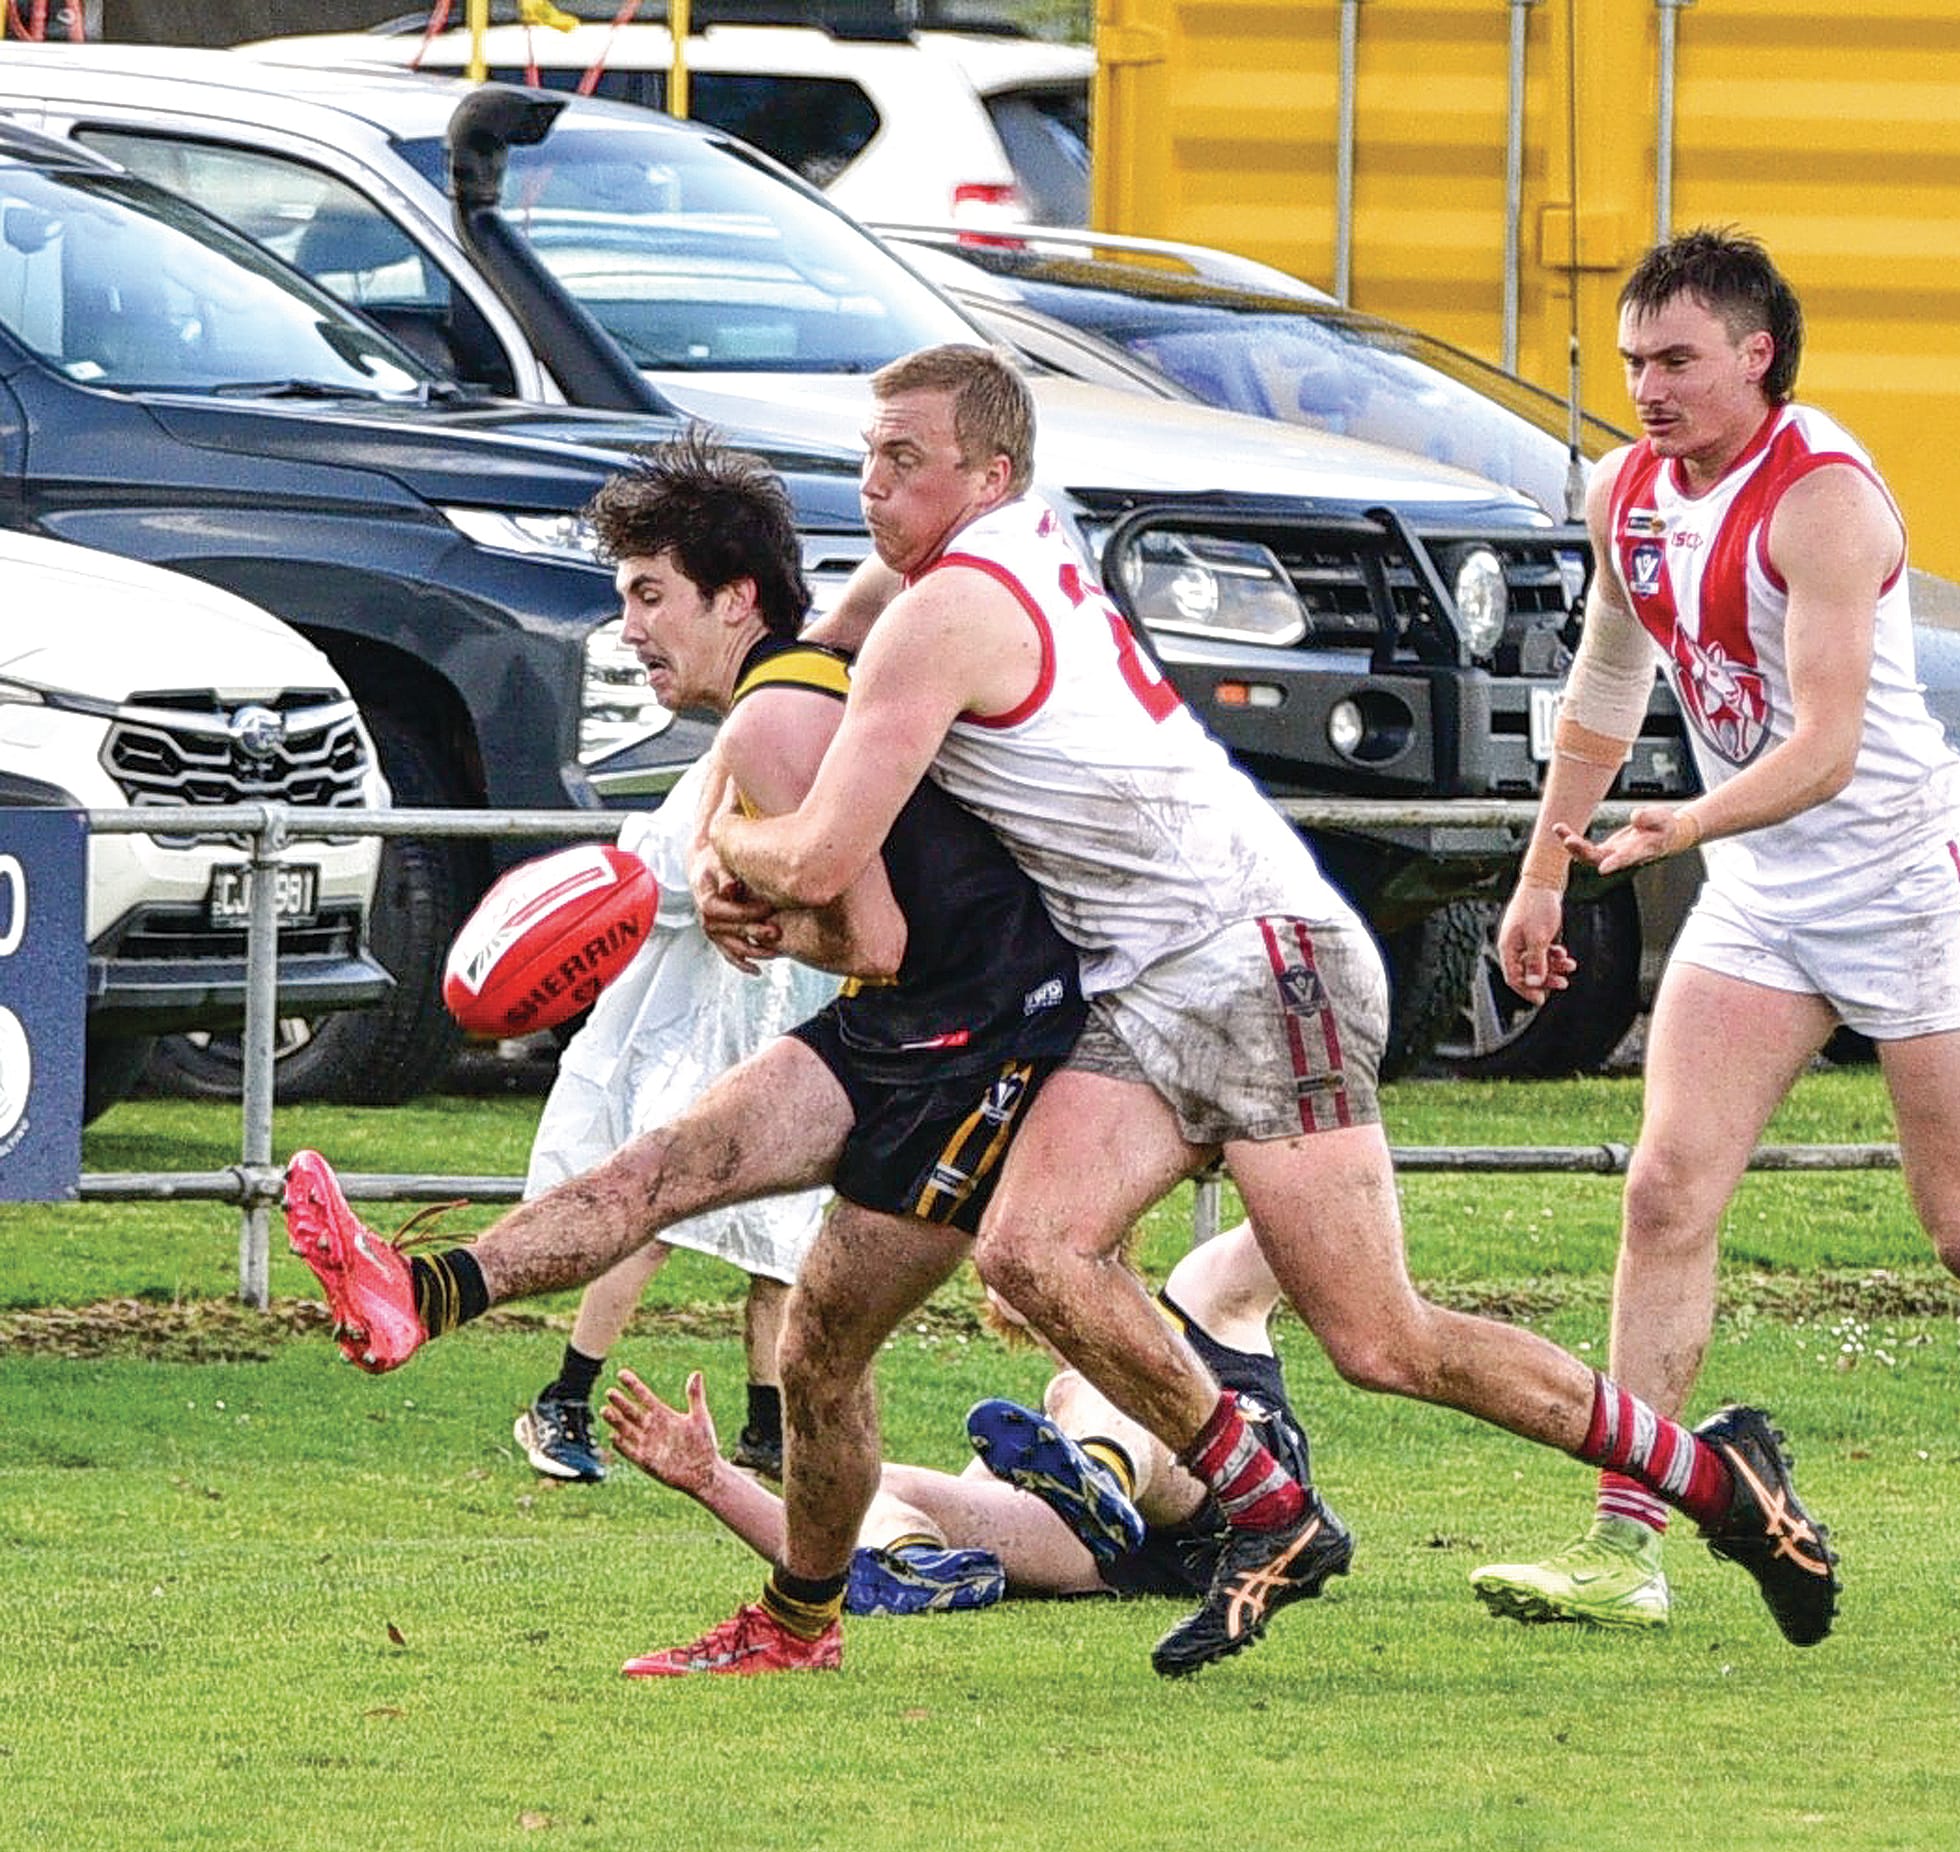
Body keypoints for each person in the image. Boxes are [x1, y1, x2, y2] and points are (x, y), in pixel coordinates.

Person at [701, 340, 1840, 1675]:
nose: (872, 481)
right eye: (866, 454)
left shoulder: (954, 604)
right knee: (1029, 1250)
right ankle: (1275, 1508)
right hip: (1156, 983)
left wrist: (729, 843)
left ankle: (1718, 1482)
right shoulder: (963, 559)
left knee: (1383, 1339)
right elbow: (822, 654)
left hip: (1259, 962)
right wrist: (758, 698)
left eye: (904, 456)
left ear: (991, 472)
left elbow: (825, 848)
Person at [284, 428, 1087, 1671]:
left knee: (824, 1353)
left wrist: (757, 904)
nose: (630, 630)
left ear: (735, 598)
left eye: (650, 596)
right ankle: (417, 1296)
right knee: (651, 1177)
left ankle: (1249, 1506)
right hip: (902, 1027)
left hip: (969, 1043)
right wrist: (745, 895)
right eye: (622, 599)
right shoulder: (793, 688)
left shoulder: (776, 719)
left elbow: (869, 934)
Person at [1466, 227, 1960, 1630]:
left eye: (1678, 360)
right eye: (1634, 359)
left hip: (1897, 875)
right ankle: (1624, 1540)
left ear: (1757, 356)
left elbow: (1824, 745)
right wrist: (1540, 873)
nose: (1647, 386)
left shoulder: (1823, 496)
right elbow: (1606, 677)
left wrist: (1686, 827)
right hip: (1764, 889)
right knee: (1663, 1189)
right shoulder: (1623, 489)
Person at [603, 1221, 1317, 1659]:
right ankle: (918, 1568)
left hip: (1243, 1494)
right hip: (1140, 1556)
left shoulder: (1199, 1294)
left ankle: (1102, 1479)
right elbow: (819, 1545)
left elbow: (1300, 1207)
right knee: (883, 1488)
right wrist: (710, 1479)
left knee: (1087, 1385)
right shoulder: (1025, 1452)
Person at [510, 747, 836, 1486]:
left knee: (786, 1238)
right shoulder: (739, 752)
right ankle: (564, 1395)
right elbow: (655, 868)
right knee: (657, 1216)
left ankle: (769, 1422)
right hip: (698, 1034)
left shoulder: (839, 758)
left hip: (788, 1026)